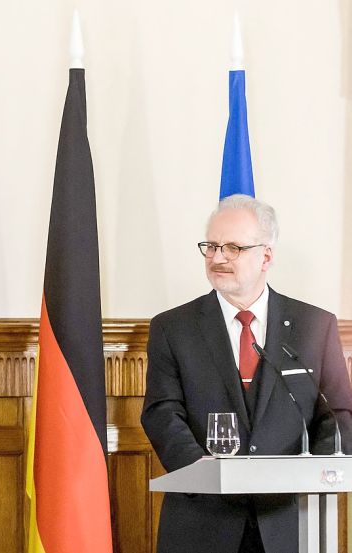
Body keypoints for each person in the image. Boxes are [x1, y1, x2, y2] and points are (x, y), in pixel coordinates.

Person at [141, 194, 352, 553]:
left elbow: (339, 414)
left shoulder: (314, 325)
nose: (217, 258)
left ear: (266, 256)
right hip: (201, 522)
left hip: (288, 522)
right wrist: (205, 474)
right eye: (211, 246)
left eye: (233, 248)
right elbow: (161, 413)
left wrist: (307, 474)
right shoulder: (172, 327)